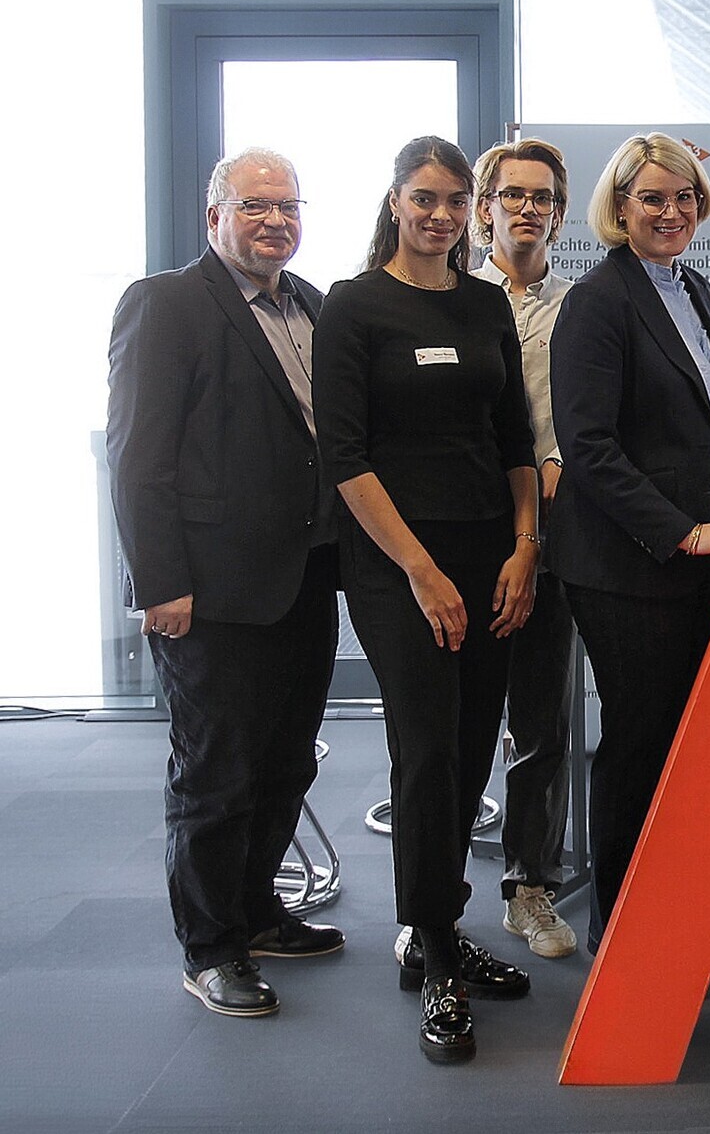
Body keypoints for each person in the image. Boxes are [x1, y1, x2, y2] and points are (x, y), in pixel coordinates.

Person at [316, 135, 542, 1064]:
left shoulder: (489, 302)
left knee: (469, 745)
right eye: (425, 197)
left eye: (456, 199)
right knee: (425, 750)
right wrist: (417, 567)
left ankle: (440, 926)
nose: (441, 214)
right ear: (397, 200)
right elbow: (344, 457)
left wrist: (526, 548)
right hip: (394, 563)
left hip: (490, 555)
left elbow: (518, 440)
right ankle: (434, 950)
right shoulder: (353, 305)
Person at [107, 148, 343, 1019]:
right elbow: (136, 455)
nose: (275, 220)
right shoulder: (166, 302)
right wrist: (158, 581)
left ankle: (256, 913)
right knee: (215, 772)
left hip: (306, 580)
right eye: (255, 206)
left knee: (283, 762)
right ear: (215, 216)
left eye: (288, 205)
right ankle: (209, 948)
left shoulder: (311, 304)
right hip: (208, 592)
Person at [546, 133, 710, 959]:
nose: (671, 211)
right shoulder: (599, 300)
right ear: (618, 207)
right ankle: (624, 926)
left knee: (695, 745)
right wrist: (682, 529)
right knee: (642, 745)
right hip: (633, 567)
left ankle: (680, 905)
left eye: (683, 197)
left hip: (706, 557)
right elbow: (588, 445)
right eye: (652, 198)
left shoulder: (693, 286)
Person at [469, 137, 579, 960]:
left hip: (552, 536)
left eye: (542, 197)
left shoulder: (582, 307)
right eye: (513, 196)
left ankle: (529, 887)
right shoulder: (447, 300)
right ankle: (430, 901)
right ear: (485, 210)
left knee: (541, 723)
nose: (528, 209)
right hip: (462, 540)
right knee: (456, 729)